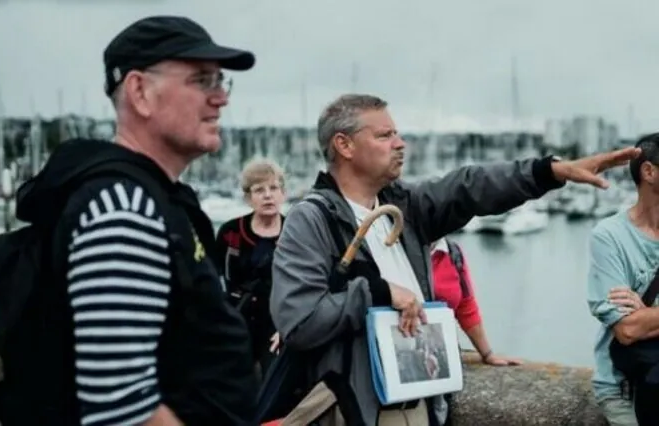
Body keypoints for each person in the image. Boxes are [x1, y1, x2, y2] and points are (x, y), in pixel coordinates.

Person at [269, 93, 640, 426]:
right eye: (384, 135)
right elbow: (299, 322)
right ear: (344, 145)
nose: (400, 143)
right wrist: (380, 292)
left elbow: (471, 186)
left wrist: (550, 171)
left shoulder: (405, 207)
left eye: (396, 133)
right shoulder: (312, 219)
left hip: (420, 407)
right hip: (356, 409)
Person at [0, 15, 260, 425]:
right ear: (140, 92)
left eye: (221, 82)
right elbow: (123, 409)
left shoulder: (146, 198)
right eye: (203, 80)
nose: (221, 97)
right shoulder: (123, 210)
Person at [587, 132, 659, 426]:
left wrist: (648, 316)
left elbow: (640, 325)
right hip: (623, 386)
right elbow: (628, 330)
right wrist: (640, 320)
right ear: (649, 171)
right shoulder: (609, 238)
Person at [215, 158, 286, 378]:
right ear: (248, 198)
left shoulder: (295, 231)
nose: (268, 195)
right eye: (259, 190)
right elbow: (211, 280)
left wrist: (289, 329)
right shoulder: (230, 232)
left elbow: (308, 285)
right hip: (236, 322)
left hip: (277, 325)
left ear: (283, 194)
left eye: (274, 188)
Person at [430, 238, 521, 366]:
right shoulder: (396, 250)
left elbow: (465, 306)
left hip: (442, 357)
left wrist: (487, 354)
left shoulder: (452, 252)